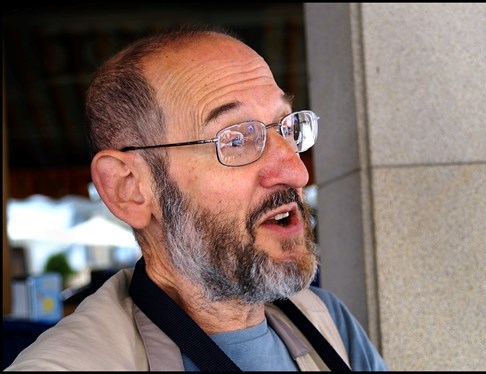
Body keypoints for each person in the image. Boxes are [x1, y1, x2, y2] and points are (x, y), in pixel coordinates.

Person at [5, 25, 389, 371]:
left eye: (287, 127)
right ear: (129, 188)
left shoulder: (327, 323)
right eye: (236, 139)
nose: (295, 171)